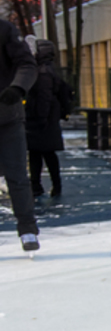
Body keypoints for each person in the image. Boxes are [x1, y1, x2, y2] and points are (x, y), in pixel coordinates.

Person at [0, 19, 39, 252]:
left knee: (16, 176)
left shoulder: (4, 30)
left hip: (7, 117)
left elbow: (27, 64)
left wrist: (17, 88)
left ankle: (27, 229)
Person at [23, 36, 70, 199]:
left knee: (40, 153)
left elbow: (44, 97)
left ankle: (41, 185)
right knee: (42, 153)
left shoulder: (42, 72)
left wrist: (40, 117)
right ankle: (45, 185)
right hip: (45, 118)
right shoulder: (47, 69)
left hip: (41, 118)